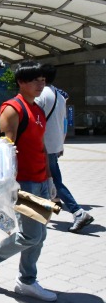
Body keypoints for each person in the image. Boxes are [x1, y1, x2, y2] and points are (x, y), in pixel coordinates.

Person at [0, 61, 57, 302]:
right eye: (35, 79)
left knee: (39, 235)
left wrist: (51, 178)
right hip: (24, 182)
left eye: (42, 79)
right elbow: (6, 149)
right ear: (21, 82)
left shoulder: (39, 109)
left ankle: (26, 280)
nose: (40, 83)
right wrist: (7, 185)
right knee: (31, 236)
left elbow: (41, 145)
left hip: (41, 180)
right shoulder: (13, 109)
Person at [35, 64, 94, 234]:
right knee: (49, 180)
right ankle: (45, 211)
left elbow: (34, 122)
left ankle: (77, 212)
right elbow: (63, 123)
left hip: (44, 145)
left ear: (42, 77)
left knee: (54, 181)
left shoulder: (42, 95)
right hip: (54, 144)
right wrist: (61, 143)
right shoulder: (59, 96)